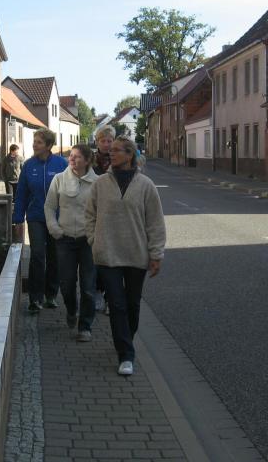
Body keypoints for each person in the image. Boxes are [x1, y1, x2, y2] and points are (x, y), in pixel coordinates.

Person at [85, 136, 166, 376]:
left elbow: (155, 222)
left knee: (132, 304)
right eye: (110, 150)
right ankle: (126, 355)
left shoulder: (146, 185)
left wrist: (156, 254)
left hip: (136, 254)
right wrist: (94, 240)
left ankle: (125, 339)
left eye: (117, 150)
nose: (111, 153)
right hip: (107, 254)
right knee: (117, 304)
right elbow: (89, 215)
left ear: (130, 155)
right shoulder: (100, 183)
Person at [44, 144, 99, 342]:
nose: (72, 159)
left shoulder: (98, 183)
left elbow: (103, 211)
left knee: (88, 286)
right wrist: (55, 229)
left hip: (88, 241)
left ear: (87, 160)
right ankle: (71, 310)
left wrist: (96, 235)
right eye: (71, 156)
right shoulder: (59, 179)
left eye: (77, 157)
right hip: (64, 239)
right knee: (66, 284)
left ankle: (85, 326)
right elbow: (49, 207)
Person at [13, 129, 68, 313]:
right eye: (34, 141)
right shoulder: (29, 166)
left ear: (49, 145)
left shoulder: (61, 164)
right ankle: (35, 299)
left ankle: (51, 295)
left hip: (57, 218)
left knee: (55, 257)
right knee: (37, 255)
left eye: (39, 142)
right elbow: (21, 193)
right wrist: (18, 218)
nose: (34, 145)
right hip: (36, 216)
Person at [91, 125, 115, 314]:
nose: (106, 144)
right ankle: (98, 292)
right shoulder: (90, 161)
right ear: (97, 142)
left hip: (115, 216)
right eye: (103, 140)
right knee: (97, 259)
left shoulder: (119, 160)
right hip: (95, 215)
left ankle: (110, 298)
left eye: (110, 140)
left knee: (114, 261)